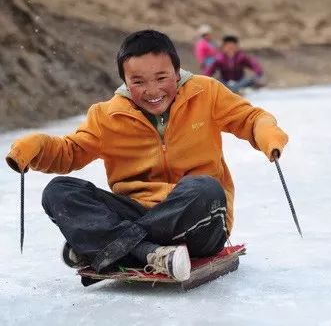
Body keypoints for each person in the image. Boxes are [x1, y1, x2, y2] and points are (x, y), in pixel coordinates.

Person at [5, 30, 288, 281]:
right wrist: (37, 146)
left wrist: (267, 135)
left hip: (197, 223)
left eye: (161, 78)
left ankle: (109, 246)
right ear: (125, 81)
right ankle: (146, 252)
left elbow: (250, 119)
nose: (152, 91)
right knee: (60, 191)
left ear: (177, 73)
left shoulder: (206, 92)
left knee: (204, 187)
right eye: (138, 81)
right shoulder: (106, 115)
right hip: (137, 210)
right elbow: (71, 152)